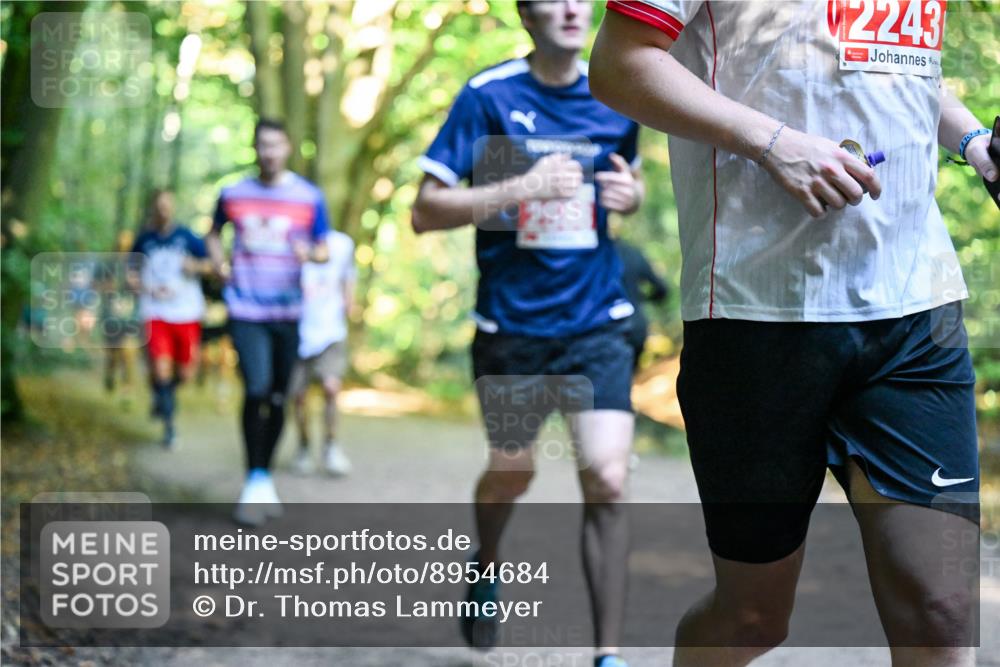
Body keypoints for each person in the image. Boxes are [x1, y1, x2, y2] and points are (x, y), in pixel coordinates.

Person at [589, 2, 997, 666]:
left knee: (943, 615)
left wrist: (974, 142)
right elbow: (618, 64)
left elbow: (899, 65)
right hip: (758, 314)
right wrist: (773, 141)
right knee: (751, 618)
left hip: (915, 309)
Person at [412, 2, 644, 664]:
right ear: (525, 12)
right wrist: (522, 186)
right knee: (512, 470)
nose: (573, 9)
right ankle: (485, 560)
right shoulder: (488, 96)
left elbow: (627, 178)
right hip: (513, 324)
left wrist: (635, 197)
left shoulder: (617, 92)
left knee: (606, 476)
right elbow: (425, 210)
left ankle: (608, 654)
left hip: (596, 320)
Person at [206, 119, 330, 527]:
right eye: (263, 145)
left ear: (288, 148)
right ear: (254, 148)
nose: (269, 152)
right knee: (256, 388)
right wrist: (219, 262)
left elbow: (324, 249)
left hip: (289, 311)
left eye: (276, 145)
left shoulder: (309, 197)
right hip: (246, 309)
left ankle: (263, 477)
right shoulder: (233, 193)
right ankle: (253, 478)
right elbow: (212, 233)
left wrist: (308, 255)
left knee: (279, 395)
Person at [130, 190, 211, 447]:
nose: (163, 210)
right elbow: (129, 272)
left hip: (186, 312)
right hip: (155, 311)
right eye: (159, 206)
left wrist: (195, 266)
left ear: (173, 207)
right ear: (153, 208)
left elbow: (210, 265)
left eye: (167, 206)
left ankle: (163, 395)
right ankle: (169, 424)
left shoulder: (188, 237)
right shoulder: (144, 239)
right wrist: (142, 287)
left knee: (185, 373)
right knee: (161, 367)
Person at [287, 228, 356, 476]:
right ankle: (304, 447)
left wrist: (350, 298)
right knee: (298, 396)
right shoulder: (293, 238)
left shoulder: (343, 243)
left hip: (331, 329)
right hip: (298, 329)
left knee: (331, 388)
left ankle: (331, 447)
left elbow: (349, 273)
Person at [613, 238, 668, 372]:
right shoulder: (633, 253)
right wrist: (642, 298)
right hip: (637, 327)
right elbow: (662, 290)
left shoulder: (595, 257)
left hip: (609, 330)